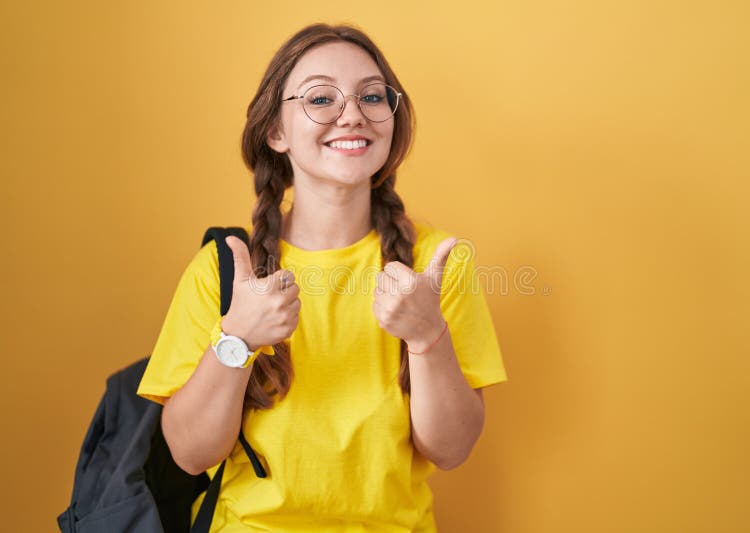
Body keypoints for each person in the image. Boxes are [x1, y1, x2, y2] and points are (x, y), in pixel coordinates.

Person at [137, 22, 508, 532]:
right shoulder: (223, 270)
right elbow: (189, 453)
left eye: (372, 96)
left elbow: (451, 449)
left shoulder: (437, 263)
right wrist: (236, 339)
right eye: (320, 98)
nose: (352, 114)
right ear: (276, 131)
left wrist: (428, 337)